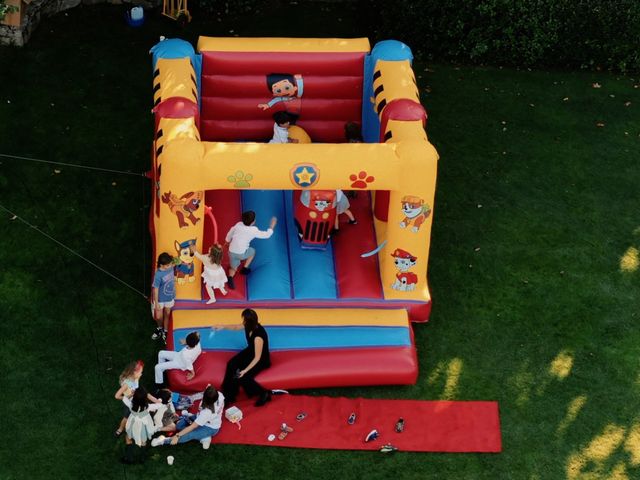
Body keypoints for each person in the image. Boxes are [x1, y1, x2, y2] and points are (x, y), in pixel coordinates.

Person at [219, 308, 272, 407]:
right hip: (251, 350)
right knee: (231, 364)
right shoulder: (248, 325)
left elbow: (257, 358)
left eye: (244, 320)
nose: (243, 322)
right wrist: (222, 326)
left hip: (261, 359)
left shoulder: (258, 336)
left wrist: (245, 370)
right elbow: (236, 327)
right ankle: (228, 395)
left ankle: (264, 393)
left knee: (243, 376)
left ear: (250, 322)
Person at [151, 385, 224, 450]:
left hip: (210, 428)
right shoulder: (219, 395)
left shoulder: (207, 413)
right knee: (179, 426)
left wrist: (177, 436)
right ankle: (203, 436)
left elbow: (192, 427)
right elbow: (209, 387)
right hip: (200, 418)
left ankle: (163, 441)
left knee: (190, 434)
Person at [225, 211, 277, 290]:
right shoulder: (253, 230)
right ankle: (245, 268)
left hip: (231, 251)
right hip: (241, 253)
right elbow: (267, 235)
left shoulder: (238, 224)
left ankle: (230, 277)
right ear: (253, 222)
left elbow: (230, 233)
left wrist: (227, 241)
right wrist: (271, 226)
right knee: (252, 251)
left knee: (233, 268)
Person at [114, 361, 159, 437]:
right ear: (134, 372)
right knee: (126, 417)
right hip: (129, 403)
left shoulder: (135, 379)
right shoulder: (126, 384)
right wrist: (128, 397)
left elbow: (137, 388)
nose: (141, 374)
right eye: (140, 372)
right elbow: (117, 396)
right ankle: (120, 429)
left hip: (137, 400)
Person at [151, 252, 176, 343]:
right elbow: (156, 289)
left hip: (169, 297)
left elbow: (176, 262)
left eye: (170, 264)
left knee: (167, 314)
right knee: (158, 317)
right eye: (168, 265)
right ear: (162, 265)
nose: (170, 266)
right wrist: (156, 302)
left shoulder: (171, 266)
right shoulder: (158, 275)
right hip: (160, 299)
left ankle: (165, 331)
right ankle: (159, 328)